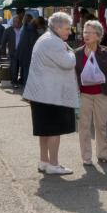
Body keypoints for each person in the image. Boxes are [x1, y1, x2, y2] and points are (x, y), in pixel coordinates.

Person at [23, 12, 78, 175]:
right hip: (50, 94)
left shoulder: (46, 38)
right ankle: (53, 164)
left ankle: (44, 161)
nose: (70, 32)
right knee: (54, 130)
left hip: (42, 94)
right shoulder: (53, 42)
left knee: (45, 130)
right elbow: (69, 63)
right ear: (57, 27)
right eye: (67, 29)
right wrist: (72, 52)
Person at [75, 20, 107, 166]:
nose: (86, 35)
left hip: (102, 93)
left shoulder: (105, 52)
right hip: (84, 94)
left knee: (101, 125)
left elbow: (105, 70)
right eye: (85, 32)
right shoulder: (77, 53)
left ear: (98, 35)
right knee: (84, 126)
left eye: (89, 32)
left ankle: (103, 154)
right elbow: (75, 72)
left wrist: (93, 54)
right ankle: (86, 157)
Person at [17, 14, 39, 86]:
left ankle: (24, 84)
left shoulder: (24, 28)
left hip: (22, 52)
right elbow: (33, 42)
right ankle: (26, 86)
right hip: (28, 53)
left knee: (24, 69)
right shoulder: (31, 29)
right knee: (27, 69)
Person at [1, 16, 22, 88]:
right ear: (13, 22)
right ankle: (14, 81)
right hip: (13, 51)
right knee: (14, 67)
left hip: (22, 51)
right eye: (16, 21)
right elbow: (3, 42)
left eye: (19, 22)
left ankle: (21, 80)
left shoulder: (23, 29)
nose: (17, 23)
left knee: (22, 67)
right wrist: (3, 52)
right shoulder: (8, 30)